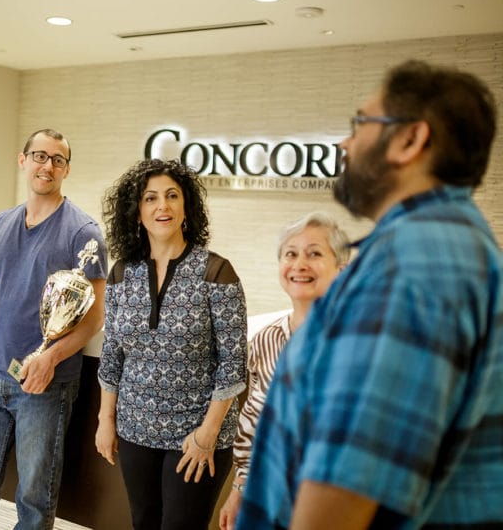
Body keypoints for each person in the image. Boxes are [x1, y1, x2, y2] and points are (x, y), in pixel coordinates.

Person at [237, 59, 503, 529]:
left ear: (409, 140)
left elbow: (351, 478)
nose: (345, 143)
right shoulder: (442, 243)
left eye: (360, 124)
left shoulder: (413, 262)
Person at [0, 128, 107, 530]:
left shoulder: (83, 233)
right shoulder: (1, 224)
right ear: (23, 161)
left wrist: (51, 358)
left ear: (67, 170)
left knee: (34, 499)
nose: (48, 166)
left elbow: (94, 316)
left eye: (57, 160)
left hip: (45, 385)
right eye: (40, 156)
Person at [96, 158, 247, 530]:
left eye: (171, 196)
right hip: (135, 430)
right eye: (150, 198)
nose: (161, 206)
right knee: (143, 522)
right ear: (136, 213)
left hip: (196, 435)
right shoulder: (120, 274)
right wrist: (106, 420)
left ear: (186, 208)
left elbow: (233, 363)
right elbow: (112, 355)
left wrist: (208, 434)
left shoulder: (216, 271)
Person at [218, 212, 349, 530]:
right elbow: (252, 423)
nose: (300, 264)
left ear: (342, 270)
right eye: (291, 254)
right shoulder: (266, 340)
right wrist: (238, 489)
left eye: (314, 253)